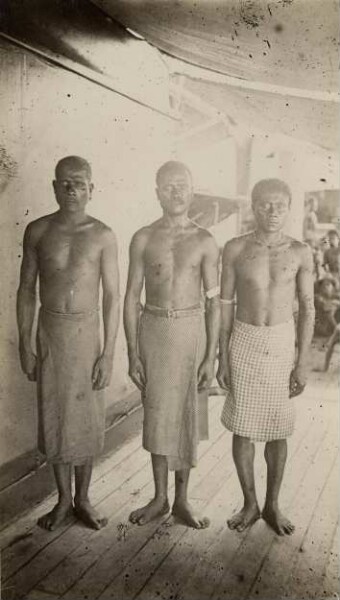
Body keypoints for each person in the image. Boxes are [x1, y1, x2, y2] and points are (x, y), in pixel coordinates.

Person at [17, 156, 120, 531]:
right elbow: (26, 290)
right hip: (51, 333)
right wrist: (24, 345)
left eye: (80, 183)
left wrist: (108, 353)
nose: (72, 189)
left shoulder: (103, 234)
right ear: (54, 186)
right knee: (55, 417)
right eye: (65, 183)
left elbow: (112, 297)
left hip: (86, 333)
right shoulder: (38, 231)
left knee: (88, 419)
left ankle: (85, 499)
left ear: (92, 189)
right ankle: (62, 500)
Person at [124, 161, 220, 529]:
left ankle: (182, 500)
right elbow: (131, 295)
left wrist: (210, 355)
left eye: (182, 185)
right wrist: (132, 352)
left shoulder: (205, 240)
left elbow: (214, 302)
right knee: (158, 416)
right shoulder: (143, 238)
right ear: (157, 192)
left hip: (191, 330)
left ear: (192, 190)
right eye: (168, 186)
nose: (176, 192)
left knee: (186, 417)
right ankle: (159, 498)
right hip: (154, 329)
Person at [217, 179, 314, 536]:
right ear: (253, 207)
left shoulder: (301, 251)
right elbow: (224, 304)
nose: (272, 212)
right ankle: (249, 503)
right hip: (244, 340)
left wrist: (302, 361)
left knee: (277, 428)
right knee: (243, 426)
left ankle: (272, 504)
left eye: (280, 205)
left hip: (280, 343)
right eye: (265, 205)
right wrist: (222, 357)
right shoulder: (235, 248)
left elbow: (307, 308)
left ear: (289, 208)